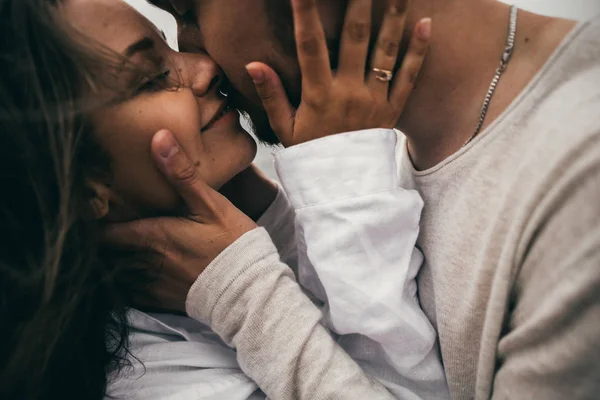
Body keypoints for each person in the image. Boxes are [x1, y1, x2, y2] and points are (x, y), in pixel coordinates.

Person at [138, 0, 600, 399]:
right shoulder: (376, 149)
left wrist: (245, 299)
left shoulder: (581, 179)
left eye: (188, 9)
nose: (194, 52)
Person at [0, 0, 442, 399]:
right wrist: (245, 296)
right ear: (80, 185)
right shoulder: (155, 385)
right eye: (153, 78)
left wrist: (270, 222)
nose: (204, 65)